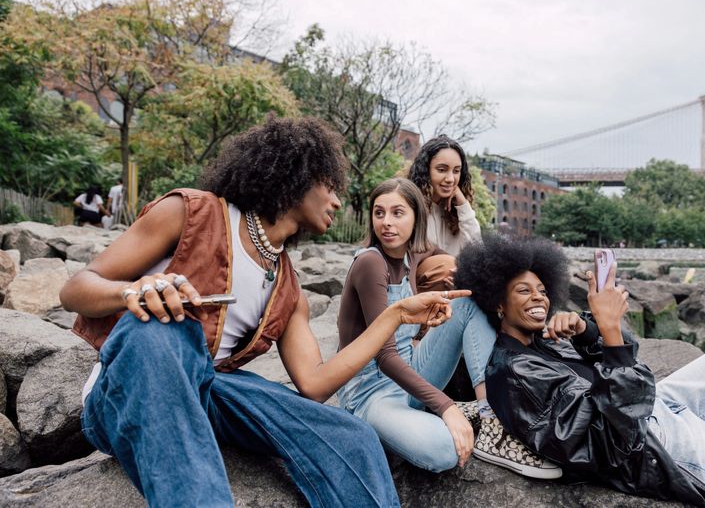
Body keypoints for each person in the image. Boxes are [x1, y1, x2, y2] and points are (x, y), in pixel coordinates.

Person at [60, 117, 469, 508]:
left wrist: (394, 316)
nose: (338, 200)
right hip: (128, 385)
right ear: (296, 176)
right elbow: (76, 288)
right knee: (168, 330)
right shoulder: (192, 212)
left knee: (351, 434)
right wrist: (134, 290)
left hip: (210, 390)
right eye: (329, 185)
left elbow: (314, 385)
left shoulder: (288, 287)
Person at [457, 234, 705, 506]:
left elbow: (629, 367)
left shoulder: (538, 344)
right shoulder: (515, 373)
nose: (539, 298)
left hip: (657, 408)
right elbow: (607, 442)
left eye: (543, 290)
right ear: (498, 303)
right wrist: (609, 329)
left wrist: (587, 331)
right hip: (655, 444)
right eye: (523, 291)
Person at [336, 178, 560, 478]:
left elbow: (470, 252)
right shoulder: (370, 263)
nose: (386, 223)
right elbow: (385, 356)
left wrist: (434, 314)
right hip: (372, 392)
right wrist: (446, 407)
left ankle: (488, 415)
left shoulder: (409, 256)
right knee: (446, 450)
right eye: (379, 213)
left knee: (467, 302)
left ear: (416, 217)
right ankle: (452, 413)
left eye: (397, 213)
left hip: (411, 370)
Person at [407, 135, 481, 257]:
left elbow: (477, 254)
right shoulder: (409, 207)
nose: (450, 179)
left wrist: (463, 205)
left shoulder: (459, 213)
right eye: (442, 170)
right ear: (426, 170)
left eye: (456, 171)